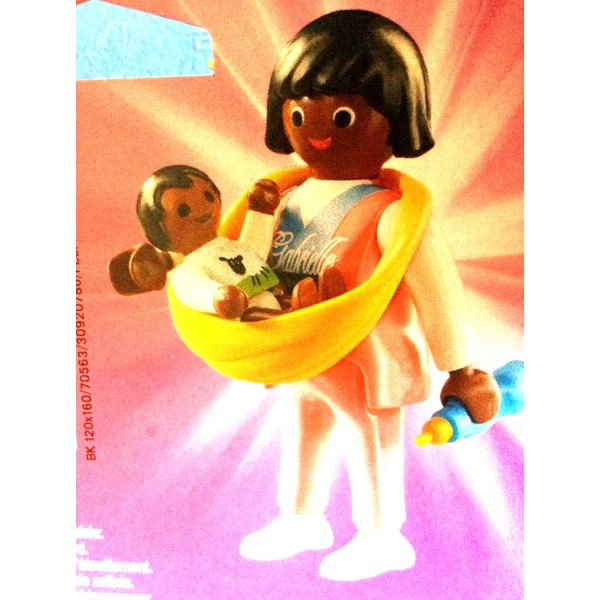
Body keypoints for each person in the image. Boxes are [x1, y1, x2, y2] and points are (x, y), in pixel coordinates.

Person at [237, 10, 501, 581]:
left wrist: (462, 366)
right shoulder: (286, 199)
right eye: (299, 112)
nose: (317, 130)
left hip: (366, 357)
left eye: (343, 115)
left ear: (396, 119)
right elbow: (253, 266)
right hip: (300, 348)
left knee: (369, 437)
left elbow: (437, 291)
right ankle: (300, 517)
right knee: (303, 426)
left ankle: (382, 534)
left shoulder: (393, 213)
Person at [109, 165, 288, 320]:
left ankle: (294, 305)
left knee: (282, 298)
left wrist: (260, 210)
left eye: (208, 196)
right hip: (250, 319)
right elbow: (192, 287)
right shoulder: (186, 270)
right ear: (159, 233)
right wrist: (217, 298)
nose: (202, 208)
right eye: (183, 210)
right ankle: (287, 315)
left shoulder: (229, 246)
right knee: (256, 312)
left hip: (276, 296)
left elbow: (254, 250)